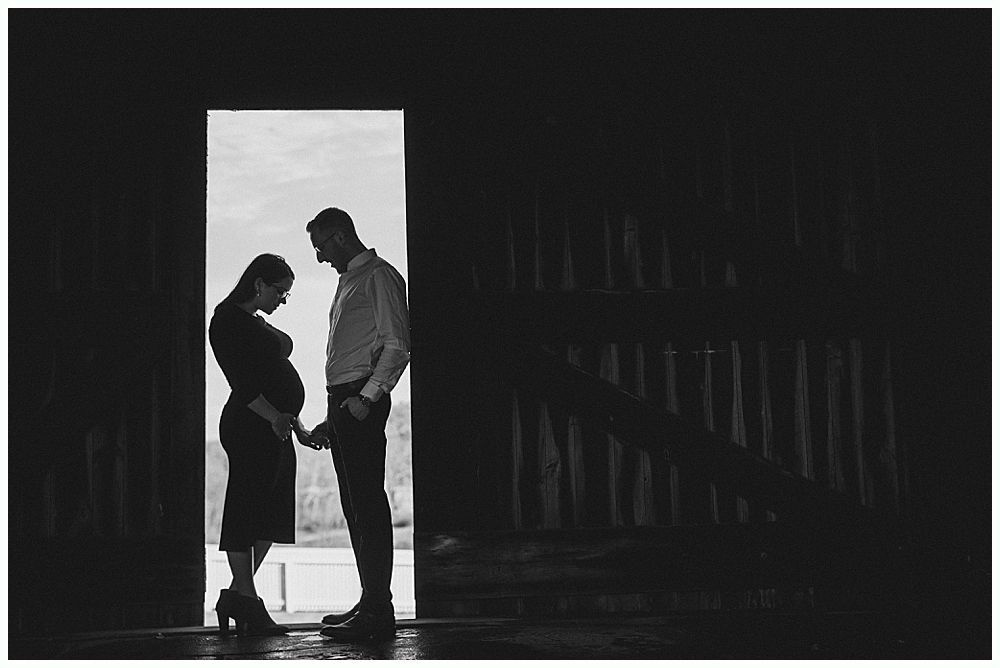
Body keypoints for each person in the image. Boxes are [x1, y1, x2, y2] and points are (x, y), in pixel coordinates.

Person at [208, 253, 327, 636]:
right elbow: (242, 383)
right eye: (280, 291)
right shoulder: (226, 319)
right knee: (246, 508)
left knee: (272, 513)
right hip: (249, 425)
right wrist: (275, 417)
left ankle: (236, 596)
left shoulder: (255, 321)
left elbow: (275, 380)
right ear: (258, 284)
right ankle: (248, 600)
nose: (283, 300)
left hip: (275, 425)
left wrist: (296, 425)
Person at [306, 208, 410, 642]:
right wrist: (334, 416)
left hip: (361, 400)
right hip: (345, 403)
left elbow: (397, 345)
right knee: (354, 506)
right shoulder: (348, 280)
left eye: (320, 247)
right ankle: (371, 600)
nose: (319, 257)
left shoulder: (379, 276)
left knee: (367, 503)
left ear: (340, 236)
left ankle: (378, 612)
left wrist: (368, 398)